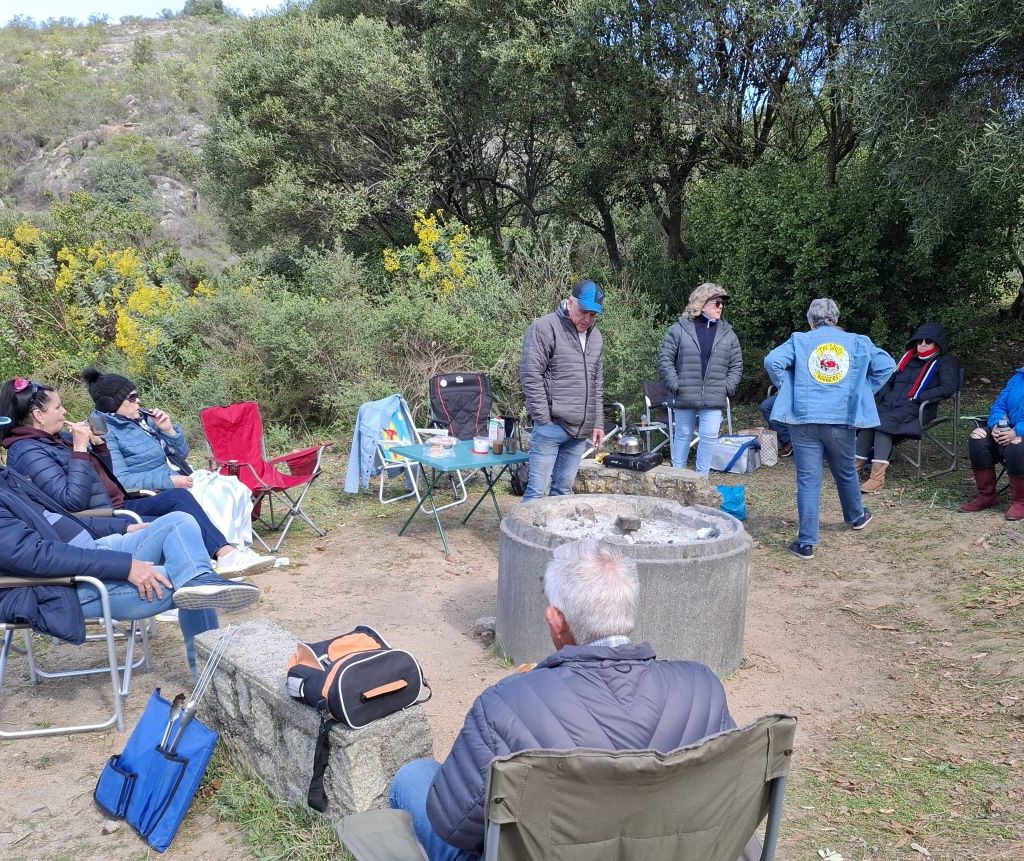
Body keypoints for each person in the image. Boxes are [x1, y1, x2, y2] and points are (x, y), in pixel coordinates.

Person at [388, 540, 741, 861]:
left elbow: (456, 826)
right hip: (668, 850)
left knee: (413, 776)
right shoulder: (703, 688)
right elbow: (727, 798)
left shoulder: (505, 704)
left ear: (556, 621)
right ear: (628, 609)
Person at [0, 423, 259, 678]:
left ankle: (202, 582)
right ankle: (209, 677)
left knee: (178, 521)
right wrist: (124, 566)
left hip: (91, 551)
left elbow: (62, 518)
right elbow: (36, 557)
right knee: (185, 580)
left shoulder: (6, 478)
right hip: (59, 586)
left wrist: (123, 527)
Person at [0, 377, 270, 577]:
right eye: (58, 407)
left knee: (180, 499)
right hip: (102, 518)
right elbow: (72, 501)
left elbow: (107, 475)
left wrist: (99, 445)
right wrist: (81, 450)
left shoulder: (56, 439)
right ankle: (203, 572)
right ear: (38, 415)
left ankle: (223, 557)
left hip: (117, 504)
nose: (65, 412)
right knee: (180, 522)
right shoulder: (27, 451)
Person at [81, 368, 271, 569]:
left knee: (229, 486)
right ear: (111, 403)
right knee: (198, 495)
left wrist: (168, 430)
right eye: (132, 397)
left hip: (176, 477)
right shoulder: (106, 432)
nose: (139, 401)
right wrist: (168, 480)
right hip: (146, 493)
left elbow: (180, 455)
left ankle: (232, 551)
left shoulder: (141, 422)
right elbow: (121, 479)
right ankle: (224, 554)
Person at [764, 298, 896, 561]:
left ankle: (806, 543)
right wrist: (864, 390)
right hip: (840, 418)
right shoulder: (858, 341)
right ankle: (856, 516)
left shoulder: (799, 340)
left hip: (804, 419)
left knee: (808, 479)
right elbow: (888, 366)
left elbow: (772, 361)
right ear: (836, 319)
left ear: (810, 321)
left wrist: (788, 388)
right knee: (845, 470)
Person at [519, 280, 605, 500]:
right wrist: (543, 419)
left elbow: (597, 382)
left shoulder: (596, 337)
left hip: (580, 430)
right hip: (552, 426)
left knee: (563, 493)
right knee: (536, 492)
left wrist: (597, 422)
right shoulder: (544, 328)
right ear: (570, 303)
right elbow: (531, 375)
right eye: (583, 311)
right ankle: (523, 535)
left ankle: (552, 536)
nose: (587, 319)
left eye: (593, 314)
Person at [855, 322, 960, 493]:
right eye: (920, 341)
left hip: (919, 408)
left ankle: (877, 478)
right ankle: (854, 471)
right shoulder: (907, 359)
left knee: (883, 424)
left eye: (928, 341)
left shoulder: (945, 362)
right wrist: (886, 395)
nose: (923, 344)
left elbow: (948, 388)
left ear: (938, 344)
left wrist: (920, 396)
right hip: (892, 405)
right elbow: (889, 381)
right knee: (870, 420)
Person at [657, 283, 743, 475]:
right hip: (685, 393)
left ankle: (701, 479)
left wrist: (727, 387)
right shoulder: (678, 329)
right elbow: (665, 359)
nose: (721, 307)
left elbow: (736, 364)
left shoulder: (728, 333)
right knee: (683, 435)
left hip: (714, 394)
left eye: (722, 304)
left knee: (710, 435)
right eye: (717, 303)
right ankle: (677, 478)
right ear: (702, 304)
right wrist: (675, 384)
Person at [959, 366, 1024, 520]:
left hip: (1018, 435)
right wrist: (996, 425)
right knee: (978, 438)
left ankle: (1020, 502)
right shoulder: (1018, 377)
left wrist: (1017, 431)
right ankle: (987, 496)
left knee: (1017, 445)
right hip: (1008, 430)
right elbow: (999, 406)